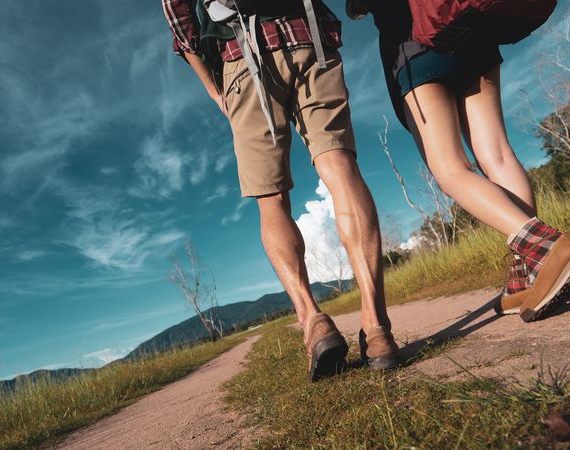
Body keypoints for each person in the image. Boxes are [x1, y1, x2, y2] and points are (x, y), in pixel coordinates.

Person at [162, 0, 400, 380]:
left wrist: (213, 87)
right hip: (308, 36)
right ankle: (377, 328)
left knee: (271, 200)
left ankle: (312, 318)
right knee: (339, 165)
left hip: (240, 56)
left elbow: (180, 21)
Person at [350, 0, 570, 322]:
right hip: (470, 27)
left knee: (450, 169)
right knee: (497, 153)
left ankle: (543, 246)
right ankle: (525, 273)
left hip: (415, 42)